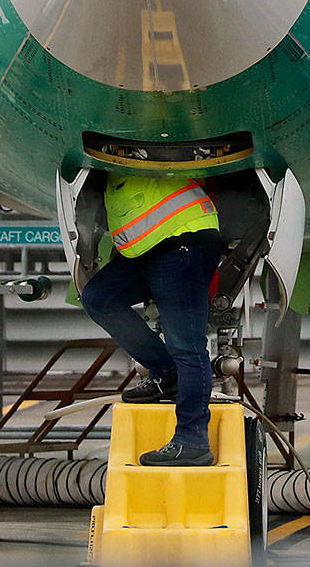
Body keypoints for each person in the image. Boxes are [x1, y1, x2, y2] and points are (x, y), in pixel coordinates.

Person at [80, 174, 224, 466]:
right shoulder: (103, 173)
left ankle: (193, 441)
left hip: (184, 241)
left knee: (187, 346)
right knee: (99, 297)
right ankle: (166, 371)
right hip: (148, 248)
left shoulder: (125, 154)